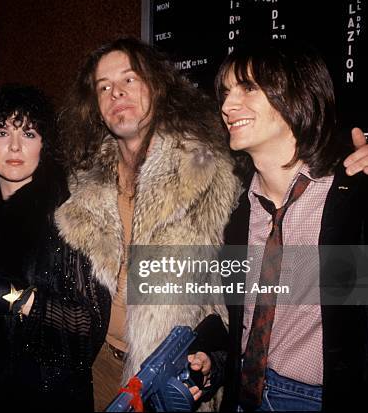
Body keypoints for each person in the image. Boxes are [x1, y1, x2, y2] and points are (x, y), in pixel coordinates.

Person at [56, 37, 237, 411]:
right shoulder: (82, 184)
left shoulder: (206, 171)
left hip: (169, 383)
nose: (115, 93)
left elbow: (237, 289)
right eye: (103, 87)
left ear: (156, 85)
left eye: (129, 79)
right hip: (96, 370)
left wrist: (213, 359)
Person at [210, 42, 368, 411]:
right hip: (242, 395)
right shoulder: (238, 213)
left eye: (248, 88)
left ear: (298, 93)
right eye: (225, 93)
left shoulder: (356, 197)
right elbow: (237, 321)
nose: (226, 106)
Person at [0, 84, 110, 412]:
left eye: (29, 134)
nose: (15, 146)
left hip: (47, 396)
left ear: (45, 145)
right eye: (2, 132)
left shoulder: (70, 211)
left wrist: (13, 297)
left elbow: (88, 326)